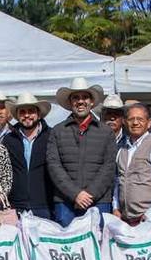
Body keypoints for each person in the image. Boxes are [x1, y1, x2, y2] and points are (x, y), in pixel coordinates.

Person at [47, 77, 118, 226]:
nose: (80, 101)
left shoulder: (106, 132)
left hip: (98, 201)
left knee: (97, 245)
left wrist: (89, 194)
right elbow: (54, 166)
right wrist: (75, 194)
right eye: (76, 98)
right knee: (68, 247)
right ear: (70, 102)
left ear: (92, 102)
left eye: (85, 97)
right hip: (65, 202)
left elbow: (109, 167)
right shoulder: (57, 131)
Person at [112, 102, 151, 224]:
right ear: (125, 122)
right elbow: (117, 181)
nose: (135, 123)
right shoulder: (121, 150)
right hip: (123, 219)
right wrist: (116, 207)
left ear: (149, 123)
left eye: (140, 119)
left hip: (148, 220)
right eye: (131, 119)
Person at [2, 93, 55, 220]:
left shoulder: (52, 136)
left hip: (45, 204)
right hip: (17, 205)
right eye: (22, 112)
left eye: (31, 111)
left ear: (38, 113)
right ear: (18, 115)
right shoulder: (9, 140)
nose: (26, 115)